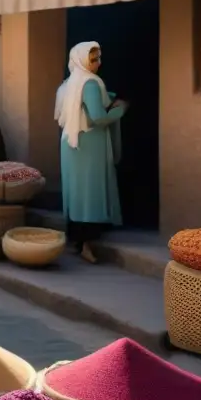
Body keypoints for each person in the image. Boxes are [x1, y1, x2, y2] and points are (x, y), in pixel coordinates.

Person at [56, 41, 128, 264]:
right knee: (90, 193)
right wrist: (120, 110)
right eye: (93, 59)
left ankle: (76, 242)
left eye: (98, 58)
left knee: (77, 193)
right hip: (89, 143)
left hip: (71, 142)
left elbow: (68, 110)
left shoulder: (69, 83)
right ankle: (87, 245)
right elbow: (97, 117)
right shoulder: (90, 84)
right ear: (81, 59)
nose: (98, 63)